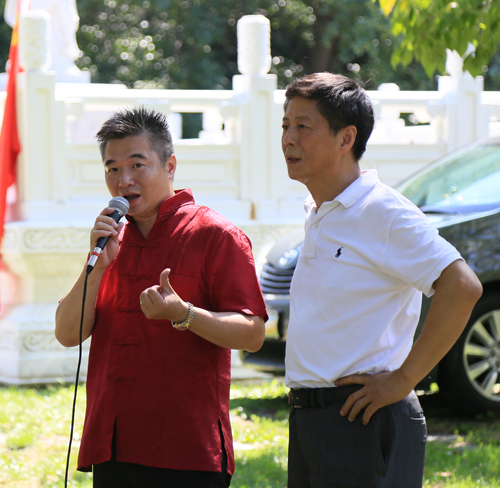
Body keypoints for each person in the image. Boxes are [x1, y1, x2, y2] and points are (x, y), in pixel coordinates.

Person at [281, 72, 483, 488]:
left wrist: (404, 379)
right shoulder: (318, 209)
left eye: (304, 126)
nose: (288, 138)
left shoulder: (382, 211)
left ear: (345, 137)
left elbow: (462, 286)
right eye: (285, 125)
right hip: (312, 420)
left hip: (363, 419)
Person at [55, 107, 267, 488]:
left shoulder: (215, 235)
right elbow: (68, 334)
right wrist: (98, 265)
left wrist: (184, 314)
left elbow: (252, 333)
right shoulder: (111, 241)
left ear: (170, 166)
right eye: (112, 169)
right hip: (114, 444)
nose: (124, 181)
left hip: (185, 450)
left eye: (138, 165)